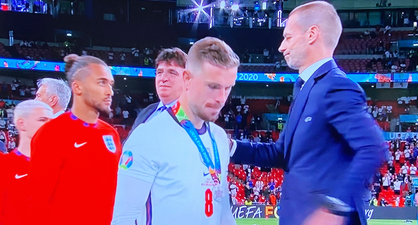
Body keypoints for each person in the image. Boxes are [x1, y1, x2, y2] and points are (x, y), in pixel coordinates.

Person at [229, 1, 386, 225]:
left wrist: (335, 207)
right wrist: (232, 147)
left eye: (288, 37)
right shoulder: (303, 87)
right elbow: (281, 154)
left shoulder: (336, 86)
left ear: (312, 34)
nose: (281, 47)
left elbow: (373, 147)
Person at [112, 37, 239, 225]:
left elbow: (223, 214)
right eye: (213, 86)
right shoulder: (149, 136)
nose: (221, 98)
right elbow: (123, 218)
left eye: (228, 88)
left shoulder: (219, 137)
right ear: (187, 79)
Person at [29, 54, 122, 225]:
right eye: (101, 82)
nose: (109, 91)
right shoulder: (51, 133)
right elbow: (37, 202)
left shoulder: (110, 134)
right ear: (78, 88)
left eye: (110, 84)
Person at [0, 100, 53, 225]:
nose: (50, 125)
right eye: (42, 120)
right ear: (22, 124)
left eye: (52, 121)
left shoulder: (60, 168)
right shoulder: (5, 165)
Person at [129, 48, 187, 134]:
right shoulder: (146, 112)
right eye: (159, 72)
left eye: (172, 72)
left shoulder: (191, 116)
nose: (163, 79)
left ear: (187, 78)